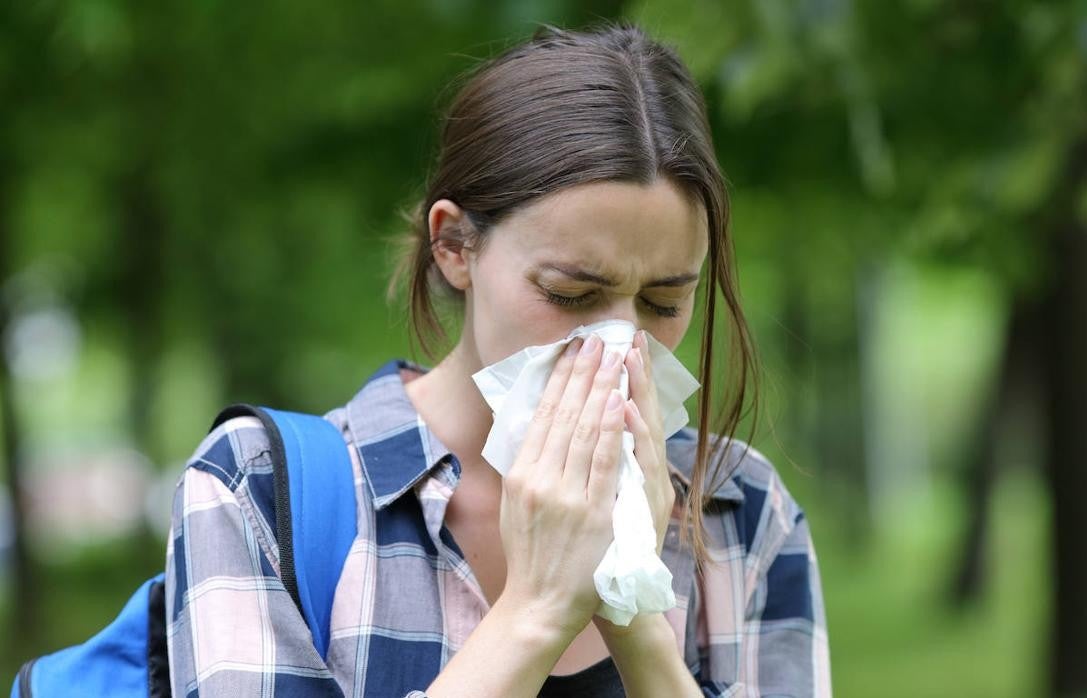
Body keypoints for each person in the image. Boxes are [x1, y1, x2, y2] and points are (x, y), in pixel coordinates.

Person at [165, 21, 831, 698]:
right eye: (572, 293)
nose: (622, 345)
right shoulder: (255, 490)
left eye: (663, 302)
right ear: (455, 246)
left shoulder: (742, 510)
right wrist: (537, 610)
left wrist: (634, 607)